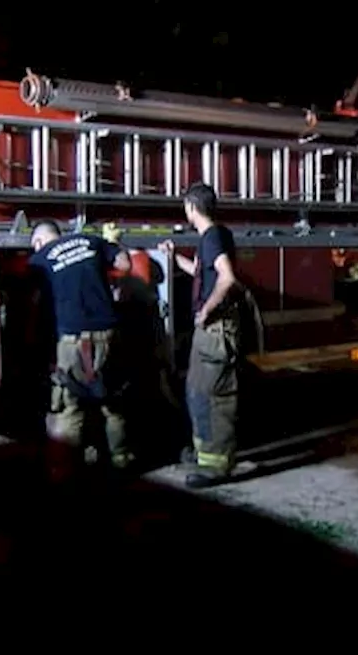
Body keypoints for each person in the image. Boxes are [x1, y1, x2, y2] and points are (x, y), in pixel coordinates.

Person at [28, 219, 134, 471]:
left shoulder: (40, 257)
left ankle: (66, 471)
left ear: (39, 241)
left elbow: (36, 304)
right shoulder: (91, 240)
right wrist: (114, 245)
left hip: (72, 341)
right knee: (112, 402)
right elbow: (125, 265)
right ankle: (120, 461)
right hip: (108, 335)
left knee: (69, 405)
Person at [158, 184, 242, 489]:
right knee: (195, 391)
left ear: (192, 207)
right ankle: (203, 454)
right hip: (209, 331)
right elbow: (199, 271)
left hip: (216, 329)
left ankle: (216, 465)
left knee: (212, 397)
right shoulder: (211, 237)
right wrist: (174, 256)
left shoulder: (213, 236)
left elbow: (227, 276)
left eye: (185, 206)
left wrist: (206, 310)